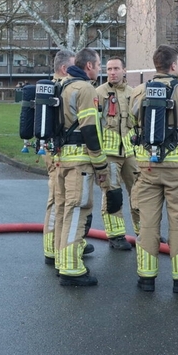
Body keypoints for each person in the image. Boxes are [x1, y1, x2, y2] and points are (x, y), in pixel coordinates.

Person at [129, 45, 178, 293]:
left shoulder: (138, 92)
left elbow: (132, 129)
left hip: (147, 168)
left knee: (148, 223)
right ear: (174, 65)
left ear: (156, 65)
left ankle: (146, 277)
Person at [53, 48, 110, 287]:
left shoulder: (63, 85)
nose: (100, 69)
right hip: (80, 163)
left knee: (65, 211)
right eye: (99, 65)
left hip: (63, 159)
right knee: (77, 211)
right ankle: (72, 268)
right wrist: (101, 165)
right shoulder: (85, 89)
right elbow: (90, 130)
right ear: (89, 66)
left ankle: (61, 260)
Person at [95, 56, 138, 251]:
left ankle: (144, 232)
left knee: (139, 193)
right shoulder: (98, 93)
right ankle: (116, 235)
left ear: (124, 70)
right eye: (109, 69)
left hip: (130, 152)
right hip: (109, 154)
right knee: (113, 195)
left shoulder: (133, 93)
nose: (112, 72)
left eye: (116, 69)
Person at [42, 49, 75, 270]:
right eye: (74, 66)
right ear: (64, 69)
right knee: (57, 201)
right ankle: (53, 249)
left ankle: (58, 245)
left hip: (53, 151)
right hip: (57, 153)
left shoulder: (51, 89)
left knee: (60, 201)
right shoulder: (60, 89)